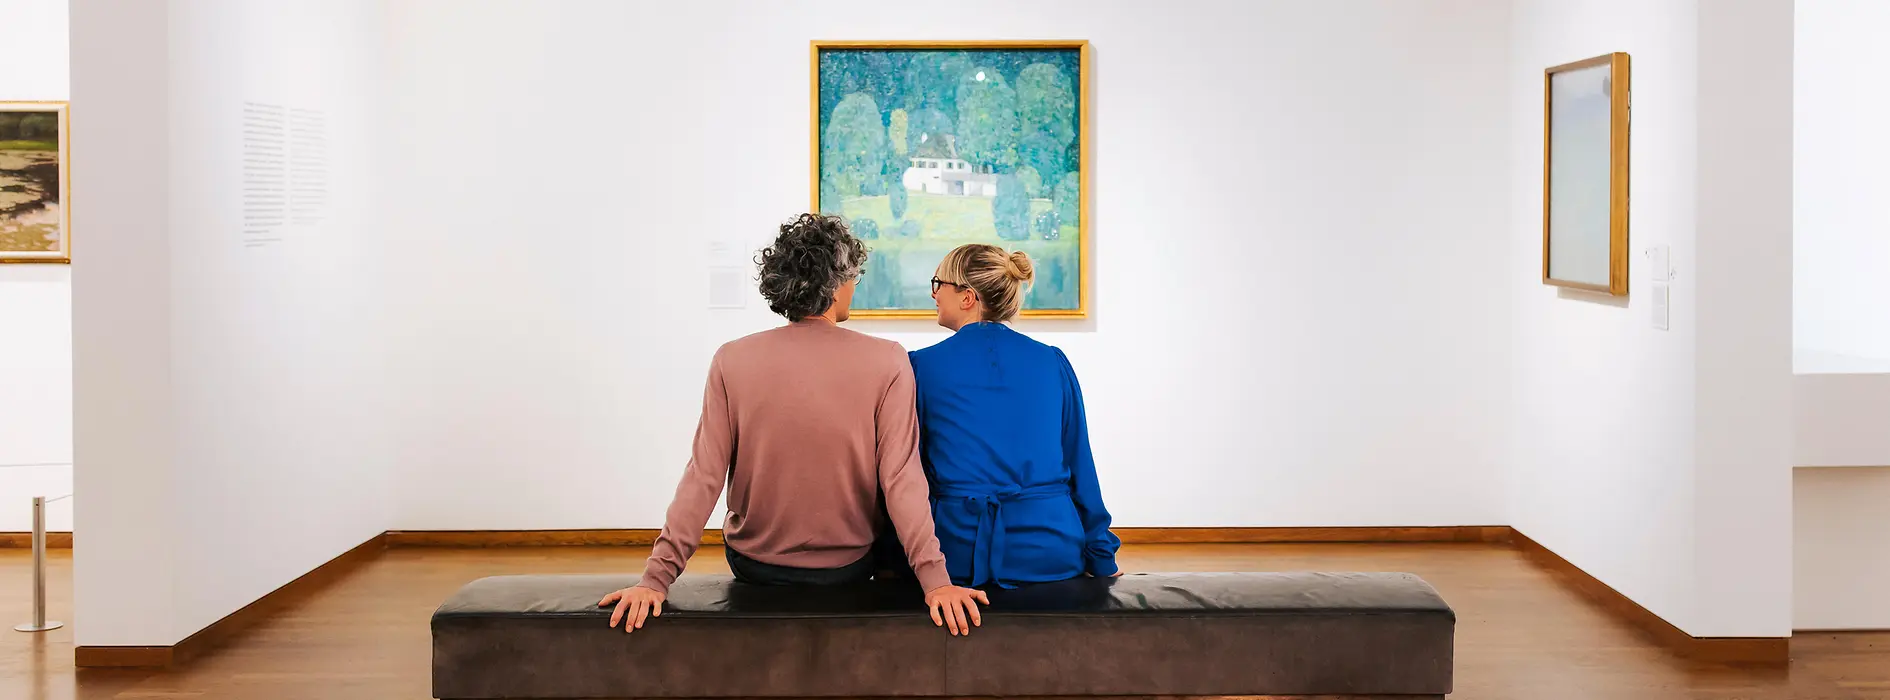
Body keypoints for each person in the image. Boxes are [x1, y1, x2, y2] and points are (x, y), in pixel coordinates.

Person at [599, 214, 989, 635]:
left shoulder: (732, 358)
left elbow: (704, 476)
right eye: (853, 277)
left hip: (754, 564)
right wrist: (937, 582)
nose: (854, 287)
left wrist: (655, 579)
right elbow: (900, 478)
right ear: (838, 282)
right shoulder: (888, 359)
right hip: (849, 566)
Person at [908, 244, 1122, 589]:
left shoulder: (920, 366)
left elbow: (908, 473)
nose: (933, 294)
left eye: (939, 283)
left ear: (967, 297)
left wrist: (894, 558)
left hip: (957, 552)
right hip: (1051, 549)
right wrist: (1101, 556)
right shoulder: (1053, 362)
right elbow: (1080, 463)